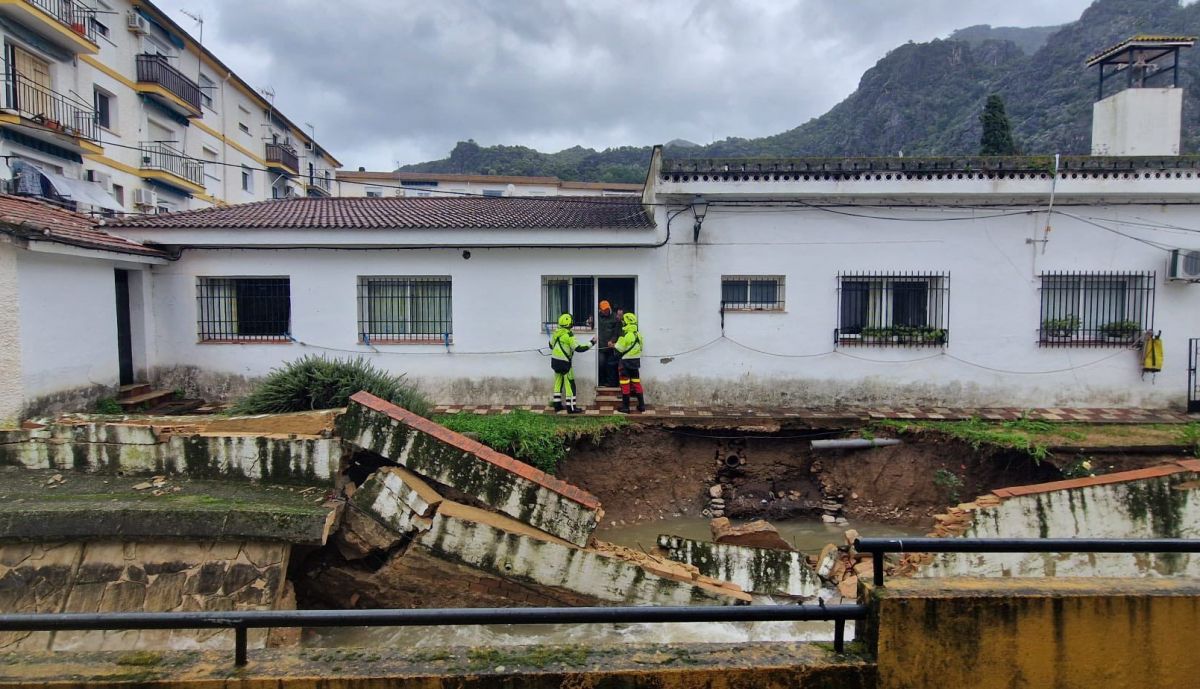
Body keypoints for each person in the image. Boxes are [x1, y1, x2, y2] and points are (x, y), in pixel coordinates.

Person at [549, 313, 596, 414]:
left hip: (554, 362)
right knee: (570, 384)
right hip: (565, 363)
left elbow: (550, 345)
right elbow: (579, 348)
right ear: (569, 324)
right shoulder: (569, 336)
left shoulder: (556, 333)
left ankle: (557, 405)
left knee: (558, 382)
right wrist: (592, 342)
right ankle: (571, 408)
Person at [613, 312, 645, 413]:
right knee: (636, 383)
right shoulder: (639, 335)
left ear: (626, 323)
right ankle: (642, 406)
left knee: (625, 384)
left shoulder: (626, 336)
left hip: (625, 363)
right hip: (636, 363)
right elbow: (641, 348)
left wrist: (613, 345)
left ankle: (625, 408)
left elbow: (619, 348)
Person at [597, 300, 621, 387]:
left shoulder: (615, 317)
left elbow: (616, 332)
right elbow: (591, 325)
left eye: (607, 309)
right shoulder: (597, 316)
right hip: (601, 347)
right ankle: (602, 382)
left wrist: (612, 341)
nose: (606, 311)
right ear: (600, 310)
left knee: (611, 365)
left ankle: (612, 383)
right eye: (604, 310)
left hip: (611, 347)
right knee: (601, 364)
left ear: (609, 307)